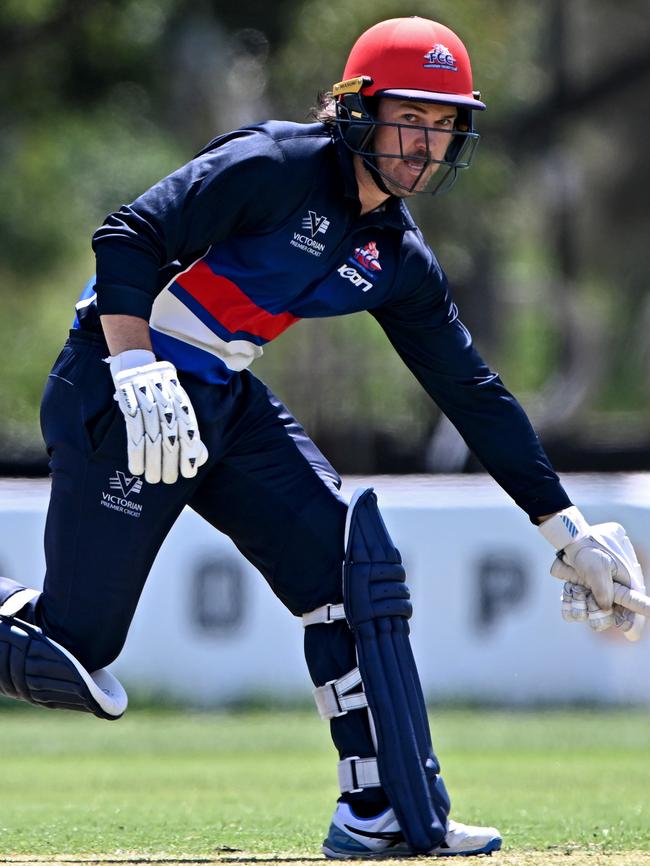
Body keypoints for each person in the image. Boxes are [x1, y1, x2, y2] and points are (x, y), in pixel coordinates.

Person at [0, 15, 645, 859]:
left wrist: (569, 532)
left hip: (222, 395)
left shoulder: (397, 256)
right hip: (116, 380)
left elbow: (472, 392)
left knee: (354, 569)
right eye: (410, 117)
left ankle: (382, 810)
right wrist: (132, 367)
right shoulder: (274, 163)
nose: (424, 143)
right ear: (357, 110)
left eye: (445, 123)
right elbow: (128, 235)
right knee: (75, 657)